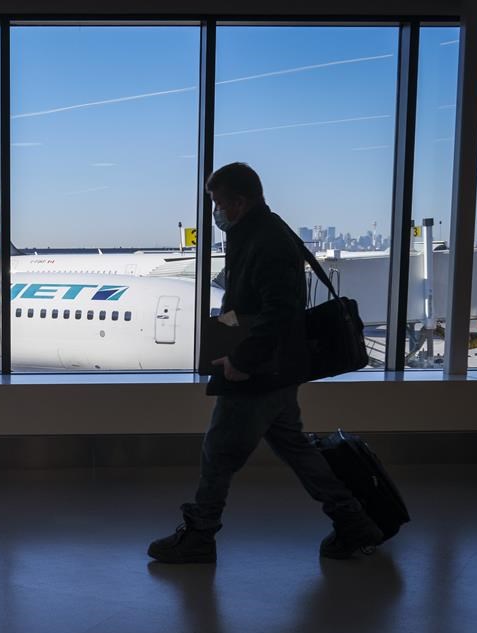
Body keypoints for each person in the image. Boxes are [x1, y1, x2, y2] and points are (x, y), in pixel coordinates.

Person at [148, 162, 382, 563]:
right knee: (294, 447)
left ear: (239, 202)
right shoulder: (262, 231)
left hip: (261, 369)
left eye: (218, 203)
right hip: (278, 366)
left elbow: (279, 312)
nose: (215, 212)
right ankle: (353, 519)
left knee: (218, 452)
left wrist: (242, 359)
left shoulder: (265, 240)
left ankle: (200, 534)